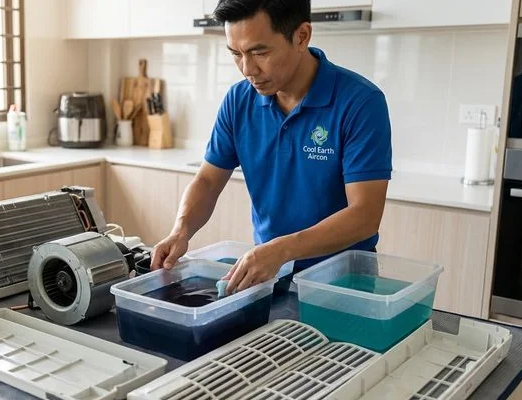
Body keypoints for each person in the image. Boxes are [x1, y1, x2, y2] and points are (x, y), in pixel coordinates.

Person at [151, 0, 392, 296]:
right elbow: (207, 181)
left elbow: (364, 216)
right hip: (269, 274)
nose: (247, 69)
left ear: (301, 36)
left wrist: (282, 249)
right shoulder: (239, 100)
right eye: (236, 54)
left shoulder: (360, 102)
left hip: (344, 285)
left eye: (259, 52)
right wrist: (181, 230)